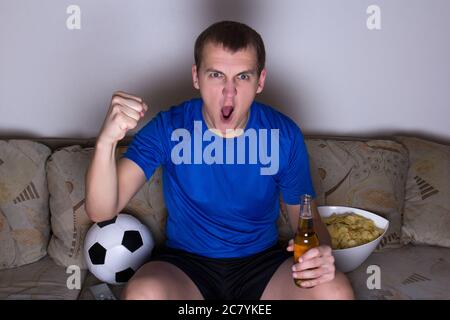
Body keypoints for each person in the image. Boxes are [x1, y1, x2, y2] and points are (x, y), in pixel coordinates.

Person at [85, 20, 354, 300]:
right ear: (196, 77)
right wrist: (106, 141)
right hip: (186, 267)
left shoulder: (284, 135)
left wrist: (320, 254)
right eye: (216, 75)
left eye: (243, 77)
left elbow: (306, 221)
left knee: (335, 291)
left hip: (263, 266)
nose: (229, 92)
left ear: (260, 81)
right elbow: (102, 212)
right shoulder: (169, 127)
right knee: (144, 293)